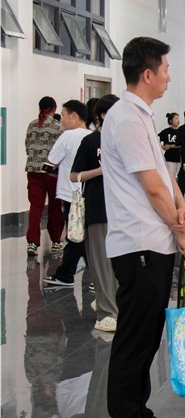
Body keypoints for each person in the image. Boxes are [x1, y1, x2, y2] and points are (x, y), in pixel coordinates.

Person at [103, 36, 185, 418]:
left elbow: (164, 176)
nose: (168, 77)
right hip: (138, 244)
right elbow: (152, 187)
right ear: (147, 73)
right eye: (166, 70)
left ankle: (139, 417)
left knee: (147, 338)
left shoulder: (141, 115)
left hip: (153, 242)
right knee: (134, 340)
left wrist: (182, 206)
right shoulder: (125, 119)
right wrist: (181, 230)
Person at [70, 94, 120, 332]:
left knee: (119, 263)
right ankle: (106, 312)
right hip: (98, 208)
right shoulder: (91, 141)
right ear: (102, 115)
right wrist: (100, 171)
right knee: (101, 262)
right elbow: (74, 175)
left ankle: (109, 303)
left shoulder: (124, 139)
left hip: (122, 210)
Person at [44, 100, 91, 288]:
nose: (61, 119)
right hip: (89, 193)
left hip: (72, 194)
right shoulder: (94, 136)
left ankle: (68, 274)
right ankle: (82, 274)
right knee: (82, 235)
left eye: (63, 115)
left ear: (74, 115)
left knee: (75, 236)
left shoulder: (68, 136)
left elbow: (50, 163)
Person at [25, 96, 65, 256]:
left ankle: (32, 243)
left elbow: (27, 147)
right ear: (54, 109)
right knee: (55, 206)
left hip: (33, 170)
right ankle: (56, 241)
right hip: (51, 172)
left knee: (36, 207)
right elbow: (63, 149)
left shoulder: (31, 125)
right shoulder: (58, 126)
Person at [158, 112, 181, 182]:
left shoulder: (181, 131)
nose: (178, 120)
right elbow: (157, 138)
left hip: (180, 158)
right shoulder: (166, 131)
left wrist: (170, 146)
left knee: (182, 179)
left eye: (178, 118)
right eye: (176, 118)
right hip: (169, 158)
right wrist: (161, 146)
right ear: (171, 121)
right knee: (170, 178)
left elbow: (182, 144)